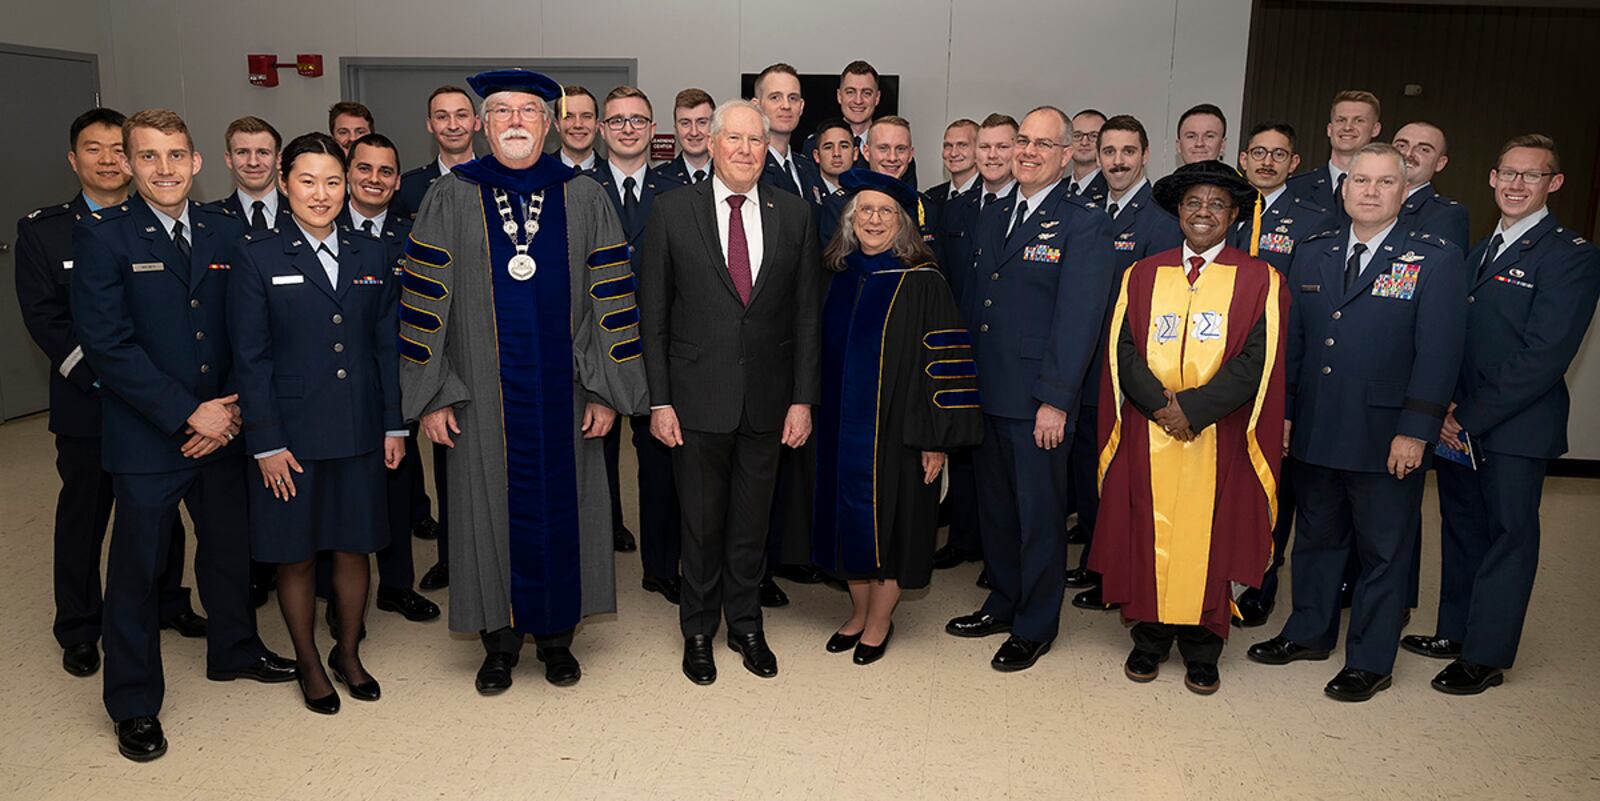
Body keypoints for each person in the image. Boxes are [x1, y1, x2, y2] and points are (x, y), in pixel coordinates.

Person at [399, 69, 647, 695]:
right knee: (485, 512)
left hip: (568, 395)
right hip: (481, 395)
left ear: (550, 123)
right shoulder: (451, 195)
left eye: (528, 111)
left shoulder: (584, 195)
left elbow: (610, 301)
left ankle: (558, 639)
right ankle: (499, 644)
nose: (514, 120)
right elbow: (425, 303)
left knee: (573, 507)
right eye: (502, 110)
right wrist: (432, 393)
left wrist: (603, 389)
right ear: (483, 124)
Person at [73, 108, 295, 762]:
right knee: (138, 570)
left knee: (229, 549)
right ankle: (134, 700)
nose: (164, 169)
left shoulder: (226, 232)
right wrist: (184, 413)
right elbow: (108, 347)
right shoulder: (104, 237)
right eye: (149, 157)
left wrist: (224, 410)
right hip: (147, 435)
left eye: (176, 156)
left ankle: (233, 648)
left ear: (196, 163)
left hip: (221, 425)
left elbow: (246, 328)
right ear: (129, 164)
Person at [1248, 142, 1466, 703]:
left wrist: (1416, 431)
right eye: (1360, 181)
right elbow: (1294, 343)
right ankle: (1309, 632)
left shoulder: (1434, 257)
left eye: (1384, 183)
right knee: (1316, 540)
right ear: (1343, 188)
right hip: (1319, 424)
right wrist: (1288, 412)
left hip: (1385, 435)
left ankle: (1370, 660)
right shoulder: (1313, 250)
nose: (1370, 192)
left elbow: (1439, 353)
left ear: (1403, 191)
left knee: (1382, 553)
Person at [1406, 134, 1600, 695]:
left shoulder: (1571, 254)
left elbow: (1544, 356)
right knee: (1463, 528)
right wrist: (1442, 405)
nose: (1516, 185)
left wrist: (1467, 416)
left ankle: (1486, 655)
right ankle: (1455, 632)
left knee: (1507, 538)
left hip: (1514, 428)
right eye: (1507, 174)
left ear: (1553, 184)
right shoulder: (1480, 248)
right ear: (1492, 178)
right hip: (1458, 421)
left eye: (1531, 176)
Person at [637, 99, 822, 685]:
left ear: (767, 147)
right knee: (700, 522)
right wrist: (658, 400)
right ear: (711, 145)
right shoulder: (670, 212)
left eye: (755, 140)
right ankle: (698, 629)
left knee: (751, 521)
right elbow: (654, 317)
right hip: (693, 401)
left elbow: (806, 317)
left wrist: (802, 398)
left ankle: (746, 625)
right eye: (734, 138)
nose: (745, 149)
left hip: (769, 401)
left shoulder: (794, 215)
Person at [16, 108, 205, 680]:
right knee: (86, 513)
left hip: (158, 403)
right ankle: (78, 625)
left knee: (159, 514)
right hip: (90, 403)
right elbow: (48, 322)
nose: (106, 160)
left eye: (115, 150)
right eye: (91, 150)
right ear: (74, 160)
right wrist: (109, 383)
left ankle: (169, 600)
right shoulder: (46, 230)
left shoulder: (162, 223)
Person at [1092, 159, 1288, 695]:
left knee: (1211, 533)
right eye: (1194, 203)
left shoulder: (1259, 280)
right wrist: (1160, 405)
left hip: (1216, 433)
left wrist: (1194, 409)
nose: (1204, 213)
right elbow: (1124, 349)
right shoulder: (1144, 273)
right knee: (1146, 530)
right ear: (1179, 211)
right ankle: (1150, 638)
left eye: (1216, 205)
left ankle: (1204, 646)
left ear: (1234, 216)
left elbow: (1257, 360)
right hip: (1150, 428)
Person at [228, 132, 406, 713]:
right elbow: (249, 358)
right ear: (284, 184)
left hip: (358, 428)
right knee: (298, 554)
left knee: (356, 548)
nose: (322, 193)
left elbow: (386, 349)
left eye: (333, 181)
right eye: (307, 180)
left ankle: (347, 652)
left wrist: (393, 425)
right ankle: (308, 660)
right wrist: (266, 441)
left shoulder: (373, 254)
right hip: (291, 438)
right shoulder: (256, 255)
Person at [944, 106, 1113, 672]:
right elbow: (976, 304)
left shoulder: (1084, 222)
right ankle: (1004, 599)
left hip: (1037, 399)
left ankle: (1036, 623)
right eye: (1023, 141)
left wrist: (1056, 400)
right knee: (996, 508)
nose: (1028, 151)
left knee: (1039, 514)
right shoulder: (995, 214)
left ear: (1067, 155)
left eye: (1044, 144)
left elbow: (1079, 320)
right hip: (987, 391)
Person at [812, 169, 982, 665]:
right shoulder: (837, 275)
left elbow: (945, 367)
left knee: (894, 523)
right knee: (847, 520)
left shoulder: (923, 280)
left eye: (886, 212)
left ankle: (881, 619)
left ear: (903, 223)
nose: (874, 219)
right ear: (850, 218)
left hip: (900, 433)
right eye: (864, 210)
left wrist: (936, 440)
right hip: (839, 430)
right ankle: (858, 610)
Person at [1069, 114, 1183, 612]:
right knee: (1087, 472)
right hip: (1082, 367)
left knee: (1120, 475)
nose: (1116, 161)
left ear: (1145, 155)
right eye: (1108, 151)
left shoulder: (1160, 222)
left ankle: (1117, 570)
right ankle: (1096, 559)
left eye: (1127, 152)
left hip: (1126, 372)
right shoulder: (1086, 209)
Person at [1227, 121, 1334, 627]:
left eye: (1279, 155)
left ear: (1295, 164)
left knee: (1272, 483)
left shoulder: (1315, 220)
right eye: (1258, 152)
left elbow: (1310, 310)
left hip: (1276, 369)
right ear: (1244, 158)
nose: (1267, 162)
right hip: (1216, 368)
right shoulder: (1220, 209)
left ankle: (1260, 581)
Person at [331, 133, 440, 625]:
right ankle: (334, 591)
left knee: (399, 485)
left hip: (402, 379)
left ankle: (395, 585)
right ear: (348, 174)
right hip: (337, 383)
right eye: (364, 169)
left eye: (385, 171)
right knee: (338, 490)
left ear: (398, 181)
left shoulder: (413, 236)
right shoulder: (319, 229)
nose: (374, 179)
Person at [590, 85, 687, 602]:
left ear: (653, 131)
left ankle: (660, 565)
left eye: (638, 121)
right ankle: (591, 561)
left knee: (658, 463)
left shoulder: (676, 192)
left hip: (656, 346)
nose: (628, 129)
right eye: (618, 120)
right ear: (602, 130)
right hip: (595, 348)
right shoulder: (578, 189)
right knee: (591, 458)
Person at [929, 112, 1017, 574]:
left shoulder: (1021, 209)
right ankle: (963, 538)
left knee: (1003, 463)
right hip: (959, 344)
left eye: (1002, 148)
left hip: (1006, 354)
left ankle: (997, 553)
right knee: (963, 449)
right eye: (985, 148)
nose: (991, 156)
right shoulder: (955, 207)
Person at [801, 60, 919, 188]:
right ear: (840, 96)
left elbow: (908, 200)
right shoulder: (814, 144)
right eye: (850, 92)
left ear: (877, 97)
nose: (858, 100)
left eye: (866, 93)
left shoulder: (897, 154)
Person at [1288, 90, 1381, 219]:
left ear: (1375, 129)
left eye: (1359, 120)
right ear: (1329, 129)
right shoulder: (1295, 187)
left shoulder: (1384, 190)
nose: (1348, 127)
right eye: (1341, 120)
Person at [393, 84, 481, 221]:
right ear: (430, 125)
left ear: (476, 123)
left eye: (461, 115)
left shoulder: (498, 181)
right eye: (442, 117)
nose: (453, 126)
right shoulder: (409, 187)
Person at [754, 63, 825, 206]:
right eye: (775, 97)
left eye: (793, 98)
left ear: (801, 107)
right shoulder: (750, 165)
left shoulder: (809, 169)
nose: (786, 106)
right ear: (756, 106)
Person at [1392, 121, 1469, 253]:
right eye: (1401, 145)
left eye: (1423, 149)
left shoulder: (1445, 214)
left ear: (1440, 163)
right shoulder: (1360, 199)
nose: (1408, 154)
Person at [211, 116, 291, 231]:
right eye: (242, 152)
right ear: (229, 159)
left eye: (263, 153)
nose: (253, 162)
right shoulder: (211, 218)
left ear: (278, 159)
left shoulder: (302, 213)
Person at [865, 116, 937, 243]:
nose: (892, 157)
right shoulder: (844, 205)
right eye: (883, 148)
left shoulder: (926, 208)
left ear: (910, 155)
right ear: (866, 152)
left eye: (901, 149)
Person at [811, 117, 858, 244]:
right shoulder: (806, 196)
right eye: (828, 147)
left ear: (855, 153)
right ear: (816, 156)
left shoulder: (864, 196)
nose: (836, 153)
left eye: (844, 146)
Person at [926, 118, 980, 220]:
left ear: (978, 150)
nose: (953, 153)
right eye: (948, 146)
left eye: (962, 145)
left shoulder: (987, 198)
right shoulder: (931, 197)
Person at [659, 88, 715, 186]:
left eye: (702, 122)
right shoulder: (660, 179)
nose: (694, 132)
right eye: (685, 123)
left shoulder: (729, 176)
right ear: (675, 128)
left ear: (714, 126)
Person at [556, 85, 601, 171]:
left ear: (597, 124)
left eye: (586, 116)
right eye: (568, 116)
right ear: (557, 124)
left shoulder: (613, 175)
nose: (578, 124)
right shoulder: (539, 174)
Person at [1067, 109, 1107, 202]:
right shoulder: (1056, 188)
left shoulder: (1113, 190)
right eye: (1077, 135)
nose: (1084, 142)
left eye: (1093, 136)